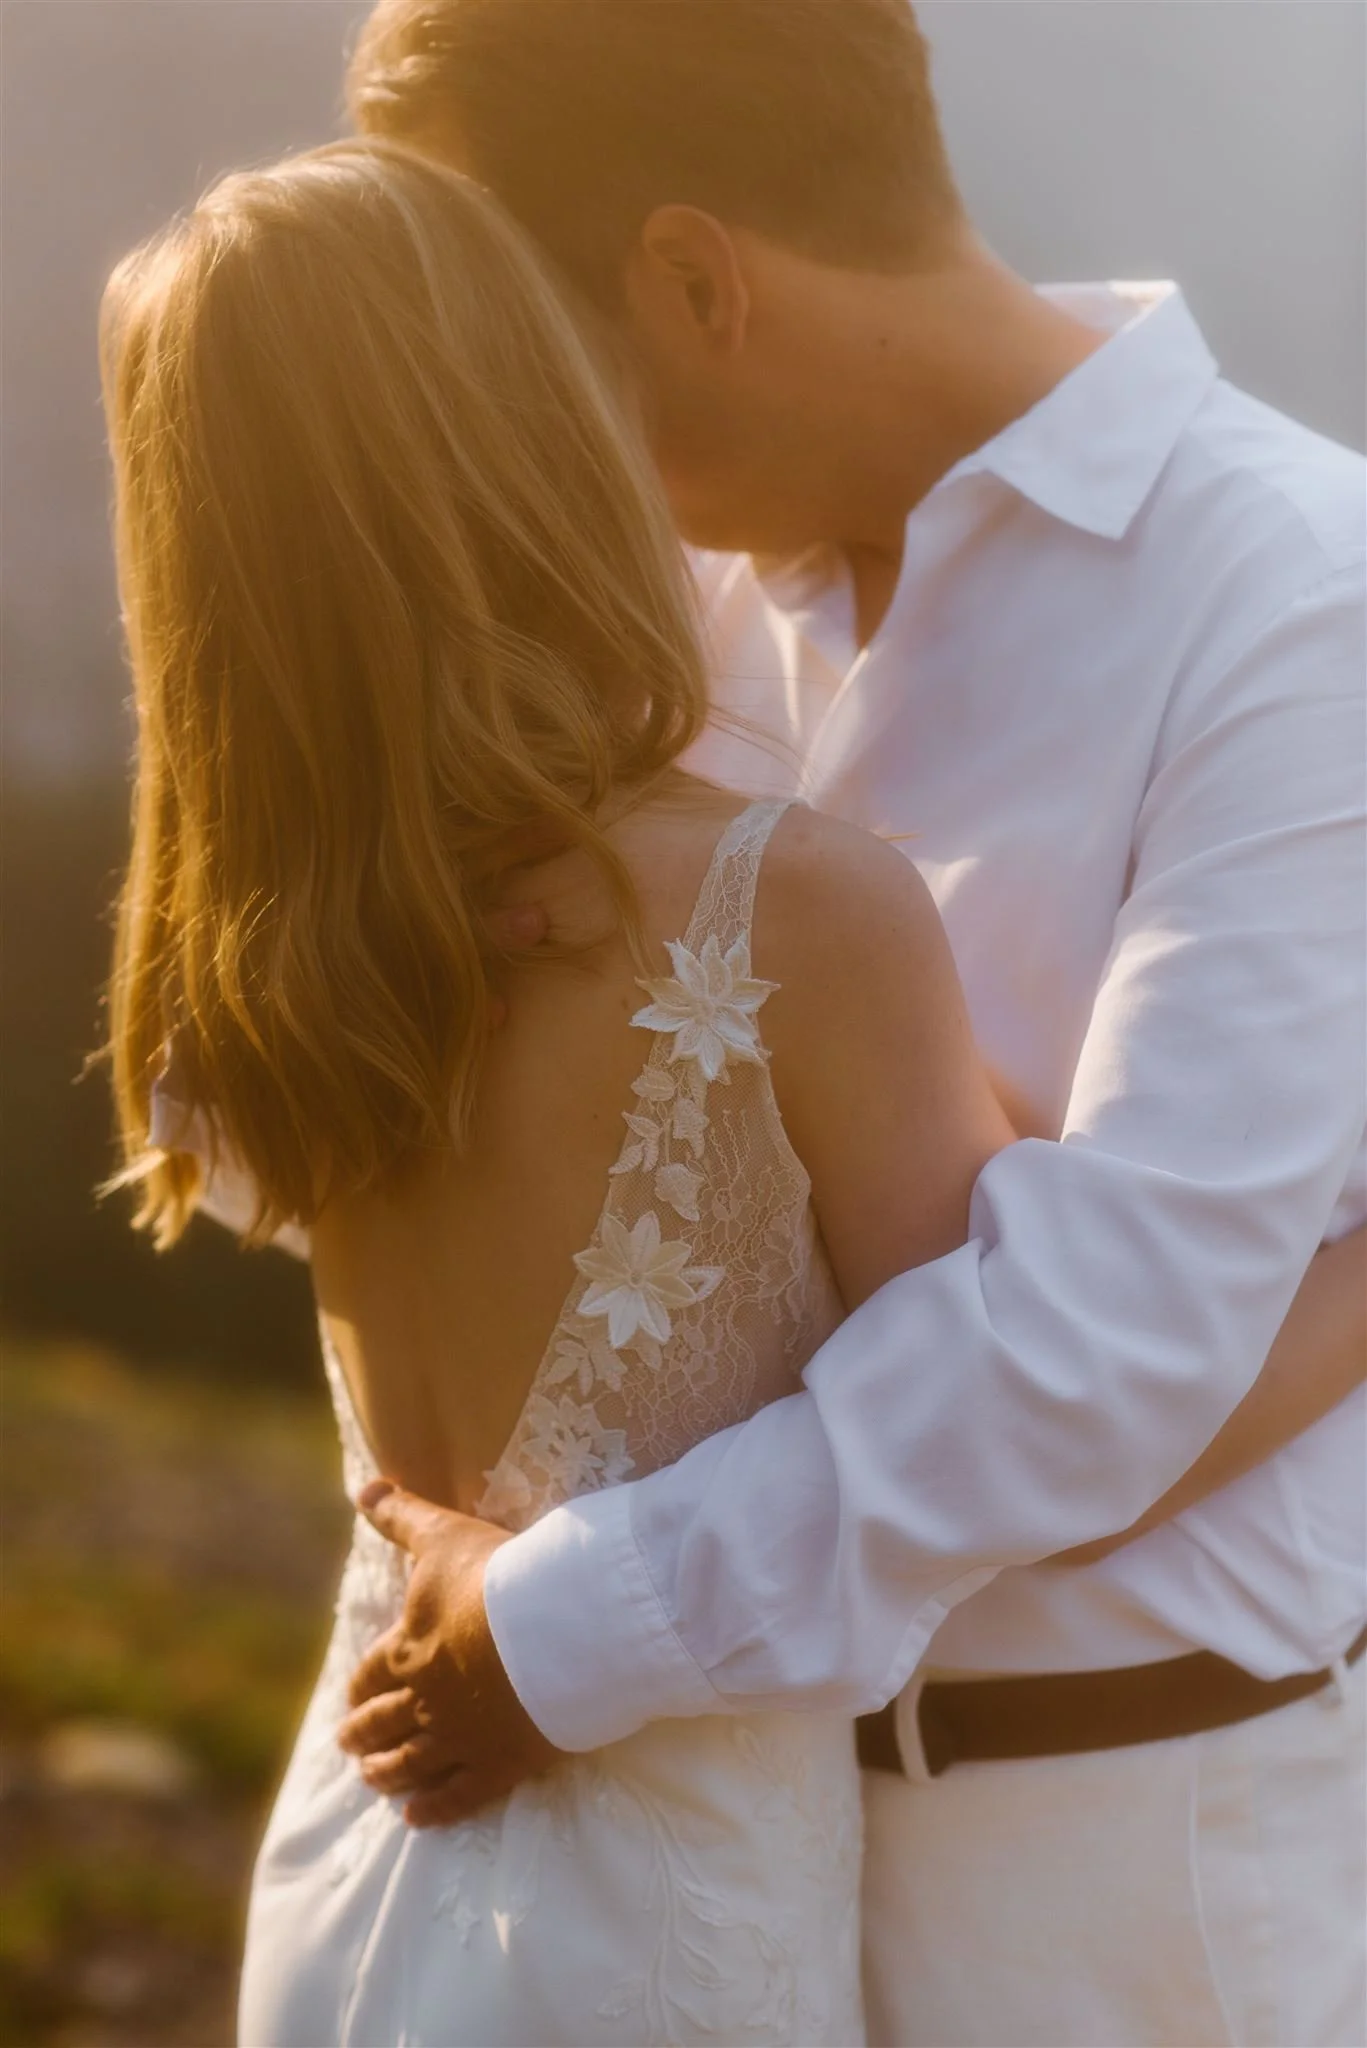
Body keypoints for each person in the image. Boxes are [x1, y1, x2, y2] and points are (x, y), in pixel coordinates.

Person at [334, 4, 1367, 2043]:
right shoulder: (671, 633)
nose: (515, 435)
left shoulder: (1296, 602)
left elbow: (1091, 1352)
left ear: (694, 281)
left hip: (1116, 1883)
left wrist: (563, 1628)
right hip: (680, 1866)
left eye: (526, 362)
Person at [100, 133, 1056, 2046]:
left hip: (357, 1868)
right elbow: (1027, 1395)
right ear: (527, 439)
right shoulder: (787, 910)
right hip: (650, 1952)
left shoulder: (250, 958)